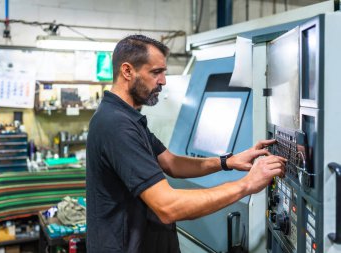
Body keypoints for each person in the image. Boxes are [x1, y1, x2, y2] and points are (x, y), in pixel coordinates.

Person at [86, 34, 286, 253]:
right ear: (127, 71)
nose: (163, 80)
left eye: (163, 72)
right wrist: (247, 184)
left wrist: (228, 162)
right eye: (156, 72)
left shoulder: (127, 117)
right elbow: (167, 206)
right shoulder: (116, 124)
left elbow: (171, 163)